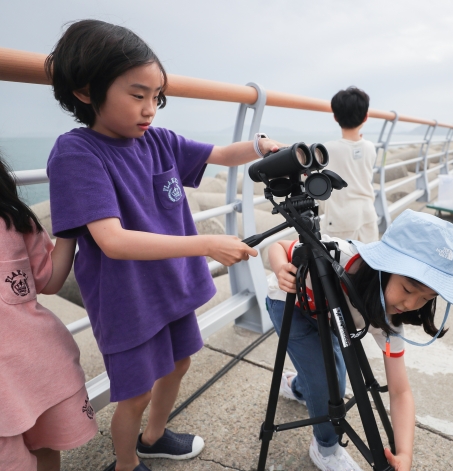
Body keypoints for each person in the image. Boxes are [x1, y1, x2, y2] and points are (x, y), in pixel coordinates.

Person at [45, 20, 283, 471]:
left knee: (178, 365)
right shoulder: (77, 153)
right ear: (84, 90)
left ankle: (154, 437)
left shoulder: (157, 140)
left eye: (156, 97)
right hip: (128, 299)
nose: (149, 109)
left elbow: (216, 155)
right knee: (134, 393)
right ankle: (126, 463)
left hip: (172, 287)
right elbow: (111, 241)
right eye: (137, 95)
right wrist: (207, 243)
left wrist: (259, 145)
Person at [267, 209, 453, 471]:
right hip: (291, 305)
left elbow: (400, 391)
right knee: (329, 379)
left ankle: (296, 385)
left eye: (425, 298)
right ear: (384, 267)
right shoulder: (338, 255)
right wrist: (280, 268)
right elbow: (279, 246)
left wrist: (405, 454)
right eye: (408, 289)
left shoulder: (390, 320)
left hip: (329, 315)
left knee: (323, 373)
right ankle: (326, 449)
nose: (411, 304)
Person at [0, 153, 98, 471]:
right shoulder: (12, 219)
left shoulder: (13, 220)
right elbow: (50, 278)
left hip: (32, 367)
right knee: (45, 446)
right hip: (39, 365)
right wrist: (68, 227)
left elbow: (47, 279)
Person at [321, 87, 380, 243]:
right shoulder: (370, 147)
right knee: (367, 265)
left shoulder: (328, 149)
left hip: (340, 219)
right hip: (367, 215)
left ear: (335, 117)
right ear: (366, 117)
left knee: (338, 264)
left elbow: (300, 153)